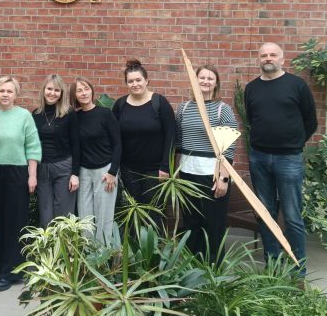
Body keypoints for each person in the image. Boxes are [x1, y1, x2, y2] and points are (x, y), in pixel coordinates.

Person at [245, 42, 317, 274]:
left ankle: (298, 270)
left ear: (282, 59)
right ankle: (273, 266)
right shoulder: (251, 88)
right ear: (259, 59)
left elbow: (311, 121)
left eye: (273, 55)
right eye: (264, 55)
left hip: (289, 159)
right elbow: (251, 119)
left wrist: (294, 143)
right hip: (259, 158)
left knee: (292, 215)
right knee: (265, 214)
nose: (268, 58)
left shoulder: (297, 85)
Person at [0, 76, 41, 292]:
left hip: (17, 172)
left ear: (16, 94)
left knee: (14, 221)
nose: (5, 94)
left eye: (9, 91)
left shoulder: (24, 116)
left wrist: (32, 176)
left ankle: (11, 271)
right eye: (1, 91)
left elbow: (33, 147)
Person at [175, 65, 237, 262]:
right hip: (187, 173)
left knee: (213, 224)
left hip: (212, 175)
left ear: (216, 83)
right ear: (195, 80)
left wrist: (223, 179)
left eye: (210, 78)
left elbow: (229, 147)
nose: (205, 81)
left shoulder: (222, 110)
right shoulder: (184, 108)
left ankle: (213, 268)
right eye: (201, 77)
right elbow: (178, 141)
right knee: (191, 222)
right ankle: (191, 265)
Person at [112, 59, 176, 210]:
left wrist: (165, 167)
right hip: (128, 170)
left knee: (154, 213)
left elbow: (171, 136)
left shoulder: (160, 103)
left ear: (146, 80)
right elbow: (113, 138)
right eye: (130, 81)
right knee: (133, 213)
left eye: (138, 80)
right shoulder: (120, 105)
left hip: (155, 171)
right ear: (126, 84)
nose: (135, 84)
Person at [70, 77, 121, 245]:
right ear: (74, 95)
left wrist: (113, 172)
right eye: (79, 90)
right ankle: (87, 254)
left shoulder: (105, 113)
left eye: (86, 89)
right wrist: (75, 173)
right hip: (84, 172)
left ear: (92, 90)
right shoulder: (74, 117)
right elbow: (75, 148)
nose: (84, 93)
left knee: (103, 217)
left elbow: (118, 144)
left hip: (105, 171)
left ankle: (103, 255)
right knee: (85, 217)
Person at [32, 74, 80, 227]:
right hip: (42, 168)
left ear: (61, 93)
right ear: (43, 90)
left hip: (64, 167)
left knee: (63, 215)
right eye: (49, 89)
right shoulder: (36, 114)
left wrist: (75, 174)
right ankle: (48, 244)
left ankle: (64, 244)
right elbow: (31, 145)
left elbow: (76, 144)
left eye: (56, 90)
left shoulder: (69, 113)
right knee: (45, 215)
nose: (52, 93)